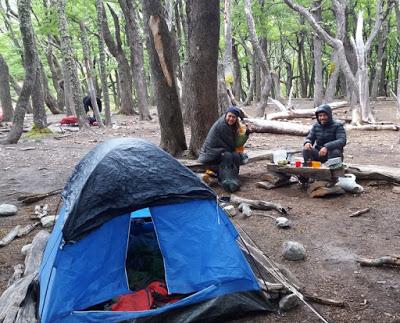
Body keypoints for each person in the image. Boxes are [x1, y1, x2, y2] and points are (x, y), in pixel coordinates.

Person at [198, 106, 253, 193]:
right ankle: (226, 181)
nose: (231, 119)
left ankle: (233, 178)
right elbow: (232, 145)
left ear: (236, 118)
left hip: (219, 152)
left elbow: (236, 144)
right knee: (229, 156)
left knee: (234, 155)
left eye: (233, 117)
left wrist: (247, 133)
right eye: (229, 116)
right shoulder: (223, 125)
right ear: (226, 115)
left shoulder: (233, 126)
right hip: (210, 156)